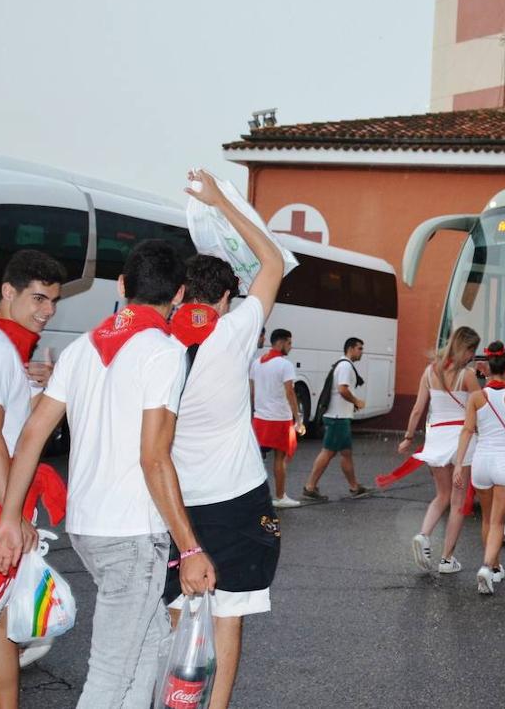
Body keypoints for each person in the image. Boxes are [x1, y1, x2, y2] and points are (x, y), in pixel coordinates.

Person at [0, 239, 217, 707]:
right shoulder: (164, 352)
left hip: (88, 526)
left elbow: (32, 435)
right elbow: (154, 456)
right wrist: (190, 546)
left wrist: (10, 516)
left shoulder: (81, 349)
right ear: (178, 297)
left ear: (122, 284)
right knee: (109, 675)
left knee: (149, 647)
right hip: (132, 533)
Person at [162, 169, 286, 709]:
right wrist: (222, 202)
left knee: (178, 608)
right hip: (237, 499)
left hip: (175, 502)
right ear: (228, 298)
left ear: (182, 294)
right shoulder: (234, 334)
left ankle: (178, 699)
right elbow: (273, 261)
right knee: (230, 611)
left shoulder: (156, 347)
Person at [0, 250, 66, 708]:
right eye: (38, 298)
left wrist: (34, 385)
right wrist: (11, 516)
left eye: (54, 302)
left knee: (2, 622)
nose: (47, 311)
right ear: (8, 291)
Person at [452, 342, 505, 594]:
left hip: (480, 463)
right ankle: (487, 567)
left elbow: (467, 430)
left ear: (487, 368)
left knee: (487, 519)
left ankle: (496, 567)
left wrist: (458, 465)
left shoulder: (476, 398)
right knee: (499, 522)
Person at [399, 326, 481, 575]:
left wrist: (408, 437)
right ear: (465, 348)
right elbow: (481, 407)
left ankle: (424, 535)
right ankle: (447, 559)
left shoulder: (429, 371)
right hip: (461, 439)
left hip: (436, 438)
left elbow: (417, 409)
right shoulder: (467, 375)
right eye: (472, 350)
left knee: (441, 496)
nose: (472, 355)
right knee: (458, 502)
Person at [302, 338, 370, 501]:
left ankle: (355, 487)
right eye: (360, 348)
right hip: (337, 417)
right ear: (351, 349)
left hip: (339, 417)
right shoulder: (346, 366)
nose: (362, 352)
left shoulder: (341, 364)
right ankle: (310, 487)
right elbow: (342, 389)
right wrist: (356, 401)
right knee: (328, 452)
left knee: (345, 453)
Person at [251, 329, 304, 508]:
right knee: (280, 459)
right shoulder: (285, 365)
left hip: (259, 418)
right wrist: (298, 418)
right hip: (280, 418)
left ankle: (255, 498)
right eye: (289, 343)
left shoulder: (256, 363)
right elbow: (290, 392)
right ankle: (281, 497)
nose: (291, 346)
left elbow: (252, 391)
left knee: (257, 460)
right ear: (280, 343)